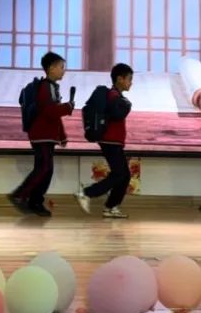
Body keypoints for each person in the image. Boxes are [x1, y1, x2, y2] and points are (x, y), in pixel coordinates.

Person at [9, 52, 73, 217]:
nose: (63, 70)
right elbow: (50, 111)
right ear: (51, 68)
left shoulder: (51, 87)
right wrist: (67, 107)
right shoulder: (46, 87)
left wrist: (62, 135)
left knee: (46, 169)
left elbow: (53, 114)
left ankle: (35, 201)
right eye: (61, 67)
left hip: (46, 135)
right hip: (41, 134)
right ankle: (20, 195)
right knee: (44, 167)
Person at [75, 63, 134, 218]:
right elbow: (117, 113)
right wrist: (127, 105)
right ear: (120, 79)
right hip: (110, 141)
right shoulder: (113, 95)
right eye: (129, 79)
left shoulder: (115, 96)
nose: (131, 83)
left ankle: (111, 207)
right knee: (119, 174)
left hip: (113, 141)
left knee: (124, 175)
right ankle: (86, 193)